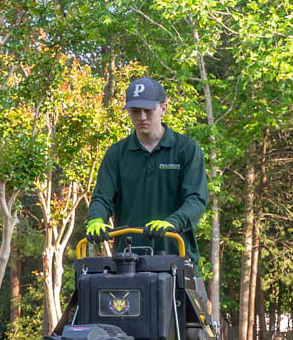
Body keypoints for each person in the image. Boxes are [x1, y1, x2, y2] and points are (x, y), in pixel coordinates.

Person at [84, 75, 209, 263]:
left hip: (177, 259)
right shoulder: (117, 154)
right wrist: (96, 219)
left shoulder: (186, 149)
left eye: (148, 110)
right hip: (128, 262)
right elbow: (102, 197)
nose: (142, 117)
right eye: (135, 111)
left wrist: (172, 223)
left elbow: (196, 199)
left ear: (163, 108)